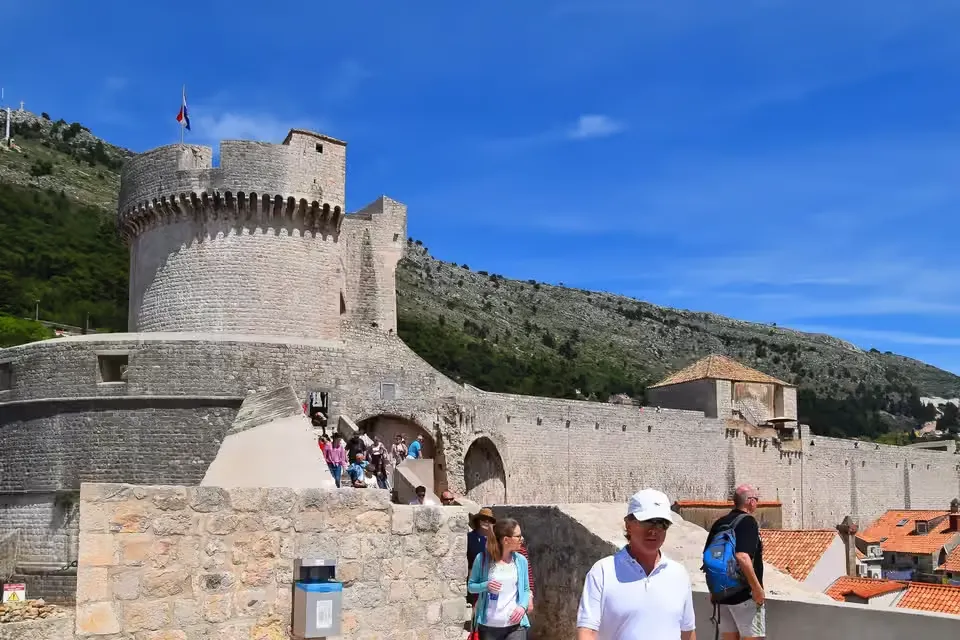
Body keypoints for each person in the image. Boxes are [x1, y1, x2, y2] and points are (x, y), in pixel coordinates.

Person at [576, 488, 695, 640]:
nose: (654, 530)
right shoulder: (603, 572)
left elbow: (687, 632)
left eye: (662, 524)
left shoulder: (679, 574)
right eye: (647, 522)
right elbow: (587, 632)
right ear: (628, 525)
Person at [705, 484, 765, 640]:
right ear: (750, 501)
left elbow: (710, 558)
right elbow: (742, 557)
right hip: (745, 596)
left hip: (723, 596)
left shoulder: (720, 523)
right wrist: (757, 589)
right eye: (756, 499)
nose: (757, 503)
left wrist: (714, 591)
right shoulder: (748, 522)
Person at [467, 517, 532, 640]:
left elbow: (526, 589)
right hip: (488, 627)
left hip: (516, 626)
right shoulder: (482, 559)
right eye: (518, 536)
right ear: (506, 540)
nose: (521, 539)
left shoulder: (521, 560)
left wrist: (522, 606)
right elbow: (471, 587)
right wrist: (486, 585)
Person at [468, 508, 497, 605]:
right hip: (475, 578)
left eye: (489, 520)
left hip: (491, 577)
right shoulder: (469, 537)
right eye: (483, 519)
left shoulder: (495, 539)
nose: (486, 522)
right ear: (478, 520)